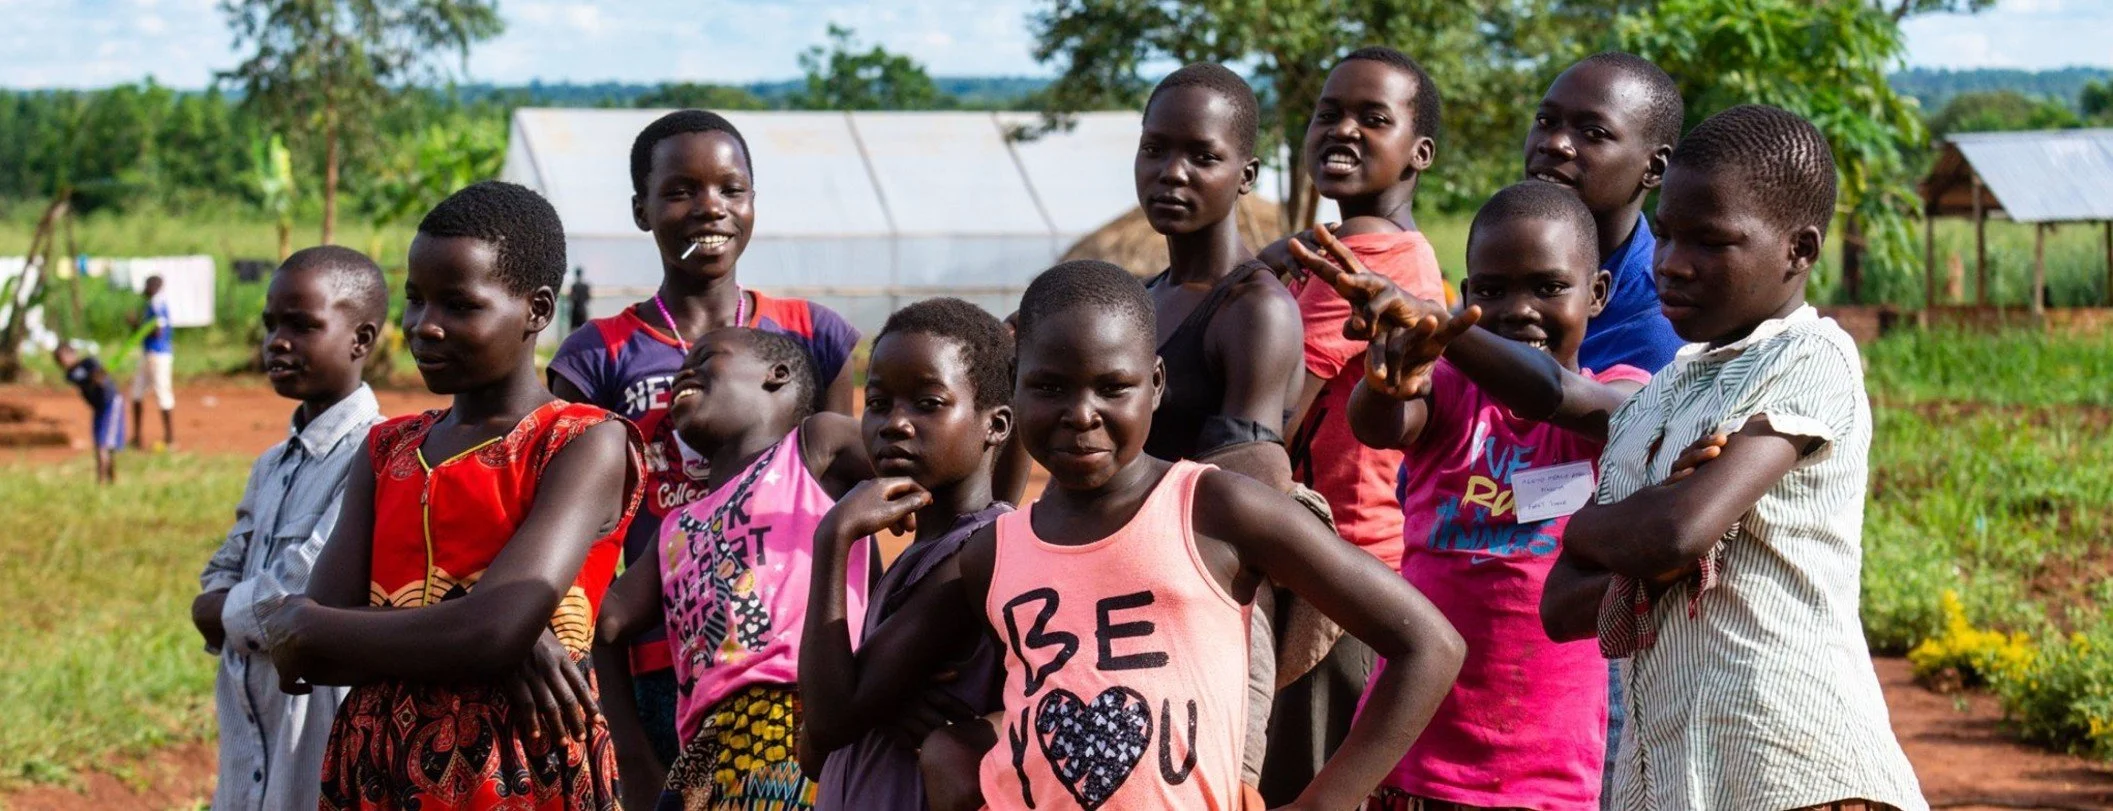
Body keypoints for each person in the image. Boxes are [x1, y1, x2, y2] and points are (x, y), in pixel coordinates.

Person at [898, 260, 1466, 810]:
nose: (1082, 414)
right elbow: (885, 691)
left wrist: (1324, 802)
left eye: (1113, 388)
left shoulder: (1214, 509)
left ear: (1157, 384)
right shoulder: (995, 551)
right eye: (1049, 387)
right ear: (1014, 388)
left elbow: (1429, 645)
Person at [1547, 105, 1928, 811]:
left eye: (1709, 241)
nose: (1671, 263)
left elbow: (1674, 532)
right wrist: (1644, 533)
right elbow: (1559, 602)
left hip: (1795, 772)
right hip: (1669, 780)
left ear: (1798, 250)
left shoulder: (1809, 356)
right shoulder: (1654, 398)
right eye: (1664, 235)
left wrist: (1604, 531)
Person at [267, 181, 646, 811]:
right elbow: (319, 655)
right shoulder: (388, 448)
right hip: (375, 761)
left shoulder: (582, 443)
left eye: (459, 305)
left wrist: (310, 621)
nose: (424, 326)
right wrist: (492, 632)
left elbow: (490, 627)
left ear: (537, 308)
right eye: (416, 300)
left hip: (516, 768)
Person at [1293, 183, 1654, 810]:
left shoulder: (1623, 396)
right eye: (1489, 291)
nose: (1519, 310)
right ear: (1466, 293)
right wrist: (1388, 381)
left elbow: (1566, 397)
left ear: (1597, 293)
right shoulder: (1451, 391)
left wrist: (1437, 321)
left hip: (1548, 777)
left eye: (1547, 288)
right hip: (1410, 762)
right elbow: (1381, 424)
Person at [547, 111, 862, 788]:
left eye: (730, 187)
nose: (709, 206)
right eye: (681, 190)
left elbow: (851, 495)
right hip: (658, 655)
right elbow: (575, 526)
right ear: (642, 209)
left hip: (798, 657)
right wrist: (624, 738)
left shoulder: (813, 333)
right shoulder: (596, 356)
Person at [1251, 45, 1452, 803]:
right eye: (1327, 112)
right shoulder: (1347, 251)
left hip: (1334, 575)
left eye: (1374, 118)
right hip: (1326, 561)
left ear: (1418, 151)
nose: (1343, 129)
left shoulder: (1371, 259)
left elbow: (1264, 418)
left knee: (1299, 779)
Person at [594, 327, 876, 810]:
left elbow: (931, 464)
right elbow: (604, 620)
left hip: (801, 723)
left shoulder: (812, 447)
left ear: (777, 376)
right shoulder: (675, 529)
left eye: (705, 357)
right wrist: (632, 752)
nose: (685, 371)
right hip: (702, 755)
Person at [1521, 50, 1689, 797]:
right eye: (1547, 121)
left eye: (1591, 131)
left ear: (1652, 167)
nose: (1555, 142)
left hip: (1603, 634)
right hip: (1501, 600)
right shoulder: (1512, 265)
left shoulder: (1662, 317)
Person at [191, 246, 390, 811]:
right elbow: (222, 571)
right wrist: (231, 606)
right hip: (252, 731)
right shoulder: (271, 466)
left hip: (320, 729)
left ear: (361, 340)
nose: (277, 342)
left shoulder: (378, 454)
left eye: (302, 326)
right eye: (271, 325)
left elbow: (301, 592)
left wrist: (220, 613)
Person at [798, 298, 1017, 811]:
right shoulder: (923, 552)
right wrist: (870, 710)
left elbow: (829, 720)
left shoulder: (978, 552)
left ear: (996, 425)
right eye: (877, 402)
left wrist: (833, 537)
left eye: (928, 402)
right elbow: (815, 749)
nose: (894, 423)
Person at [53, 343, 122, 484]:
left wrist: (99, 378)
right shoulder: (70, 375)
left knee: (104, 444)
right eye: (58, 360)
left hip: (109, 402)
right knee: (100, 443)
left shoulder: (89, 362)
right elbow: (86, 381)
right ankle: (108, 480)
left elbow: (102, 379)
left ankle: (103, 481)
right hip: (98, 408)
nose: (62, 362)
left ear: (72, 353)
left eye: (63, 357)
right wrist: (93, 379)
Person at [131, 273, 176, 450]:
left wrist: (137, 325)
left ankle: (170, 439)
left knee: (162, 393)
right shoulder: (151, 304)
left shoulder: (157, 304)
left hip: (159, 355)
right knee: (136, 393)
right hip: (148, 353)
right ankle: (136, 438)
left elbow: (157, 331)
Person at [571, 266, 594, 333]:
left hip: (575, 311)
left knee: (573, 331)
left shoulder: (574, 286)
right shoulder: (586, 286)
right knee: (584, 331)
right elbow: (588, 298)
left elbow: (571, 298)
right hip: (583, 311)